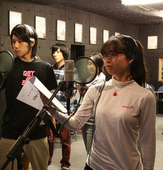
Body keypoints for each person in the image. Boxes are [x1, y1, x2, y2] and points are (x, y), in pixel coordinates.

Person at [43, 35, 156, 170]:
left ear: (130, 58)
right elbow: (75, 124)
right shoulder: (96, 90)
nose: (107, 59)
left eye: (113, 54)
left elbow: (148, 143)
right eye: (105, 55)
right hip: (93, 165)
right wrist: (51, 109)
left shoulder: (144, 97)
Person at [0, 24, 57, 170]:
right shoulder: (7, 66)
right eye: (13, 41)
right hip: (11, 132)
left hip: (37, 132)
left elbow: (49, 101)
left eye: (20, 41)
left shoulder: (45, 67)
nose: (15, 45)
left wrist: (52, 125)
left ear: (32, 42)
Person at [47, 42, 77, 170]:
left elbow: (75, 92)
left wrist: (72, 111)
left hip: (65, 108)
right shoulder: (50, 69)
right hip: (52, 108)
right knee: (50, 137)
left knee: (65, 139)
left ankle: (65, 163)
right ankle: (47, 159)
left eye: (58, 52)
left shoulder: (71, 70)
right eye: (54, 52)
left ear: (64, 53)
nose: (55, 54)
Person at [79, 53, 106, 155]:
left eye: (92, 64)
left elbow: (94, 98)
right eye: (89, 64)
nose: (90, 66)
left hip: (93, 122)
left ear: (99, 66)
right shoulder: (88, 79)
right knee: (88, 151)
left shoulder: (101, 80)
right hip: (85, 120)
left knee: (92, 154)